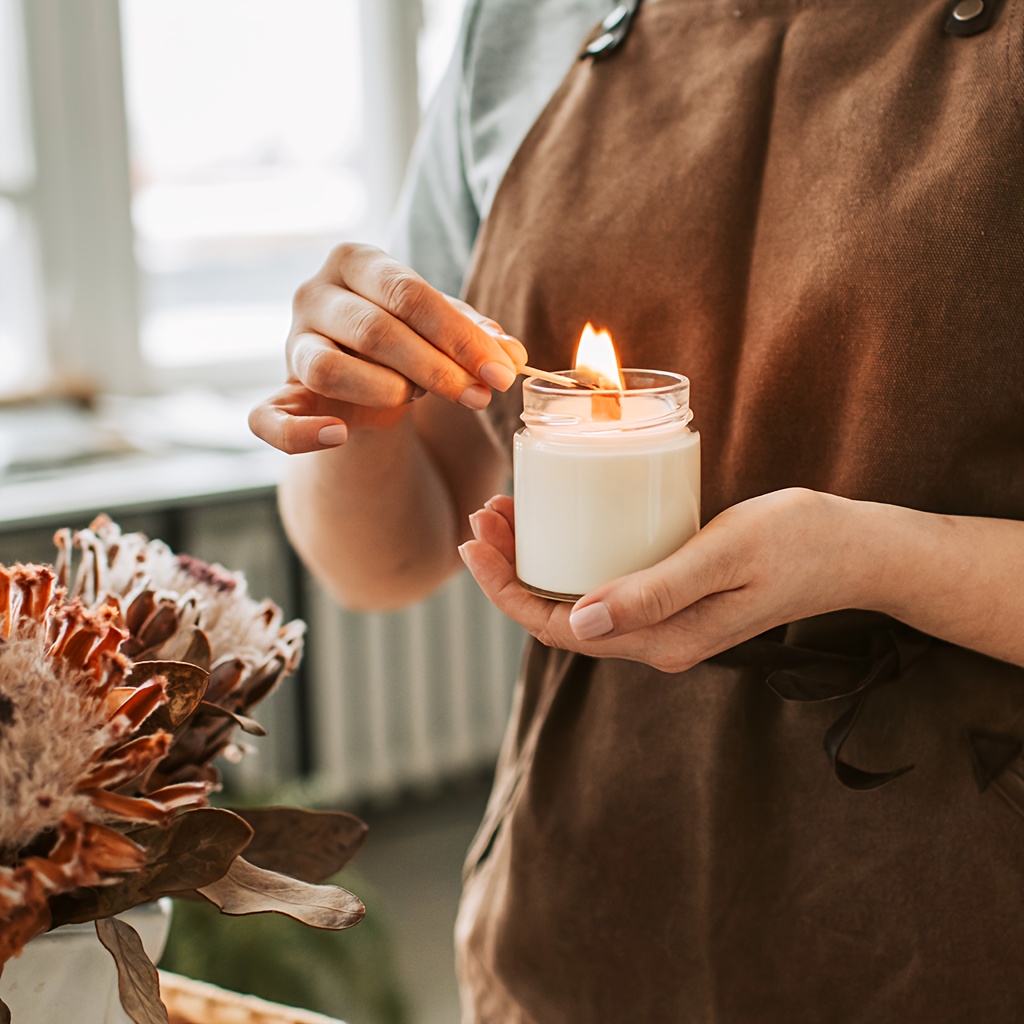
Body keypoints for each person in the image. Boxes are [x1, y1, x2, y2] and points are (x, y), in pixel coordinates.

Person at [249, 0, 1024, 1019]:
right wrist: (359, 409)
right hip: (579, 915)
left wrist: (874, 558)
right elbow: (384, 561)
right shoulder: (521, 26)